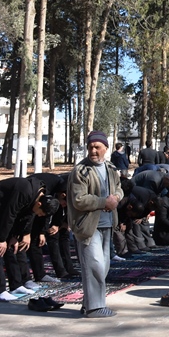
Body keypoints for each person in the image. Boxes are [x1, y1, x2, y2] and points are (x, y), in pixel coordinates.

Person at [67, 130, 124, 318]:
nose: (93, 150)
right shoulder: (80, 170)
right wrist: (103, 202)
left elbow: (119, 189)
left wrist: (116, 197)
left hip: (107, 224)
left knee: (104, 266)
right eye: (90, 147)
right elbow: (79, 199)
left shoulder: (111, 168)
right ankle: (95, 308)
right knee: (94, 265)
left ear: (105, 149)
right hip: (88, 226)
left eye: (97, 147)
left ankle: (88, 304)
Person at [0, 177, 60, 300]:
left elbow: (27, 216)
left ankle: (16, 284)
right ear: (39, 204)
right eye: (40, 213)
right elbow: (10, 214)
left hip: (7, 212)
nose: (39, 215)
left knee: (12, 247)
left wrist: (15, 236)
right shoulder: (25, 191)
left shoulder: (39, 195)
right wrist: (2, 239)